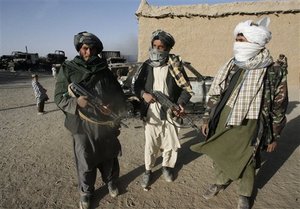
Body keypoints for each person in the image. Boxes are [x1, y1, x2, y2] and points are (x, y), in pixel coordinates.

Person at [190, 17, 288, 209]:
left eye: (242, 41)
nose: (238, 44)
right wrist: (207, 118)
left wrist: (274, 135)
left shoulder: (272, 69)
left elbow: (279, 105)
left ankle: (245, 193)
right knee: (219, 151)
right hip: (223, 115)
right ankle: (220, 181)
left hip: (250, 120)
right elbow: (216, 93)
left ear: (256, 42)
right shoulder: (232, 64)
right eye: (237, 40)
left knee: (247, 157)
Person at [54, 31, 126, 209]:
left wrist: (112, 106)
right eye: (85, 48)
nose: (88, 52)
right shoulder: (68, 69)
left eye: (92, 49)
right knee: (85, 160)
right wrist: (76, 102)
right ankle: (86, 192)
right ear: (79, 49)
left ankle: (111, 182)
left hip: (104, 123)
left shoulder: (104, 70)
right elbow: (58, 97)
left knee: (109, 156)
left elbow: (118, 94)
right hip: (81, 125)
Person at [134, 29, 193, 189]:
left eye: (161, 47)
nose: (157, 49)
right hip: (151, 112)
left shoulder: (175, 65)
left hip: (170, 112)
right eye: (155, 46)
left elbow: (186, 89)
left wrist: (180, 103)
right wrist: (143, 94)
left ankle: (167, 167)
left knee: (170, 143)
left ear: (167, 49)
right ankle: (148, 171)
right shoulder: (146, 66)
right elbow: (136, 85)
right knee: (151, 144)